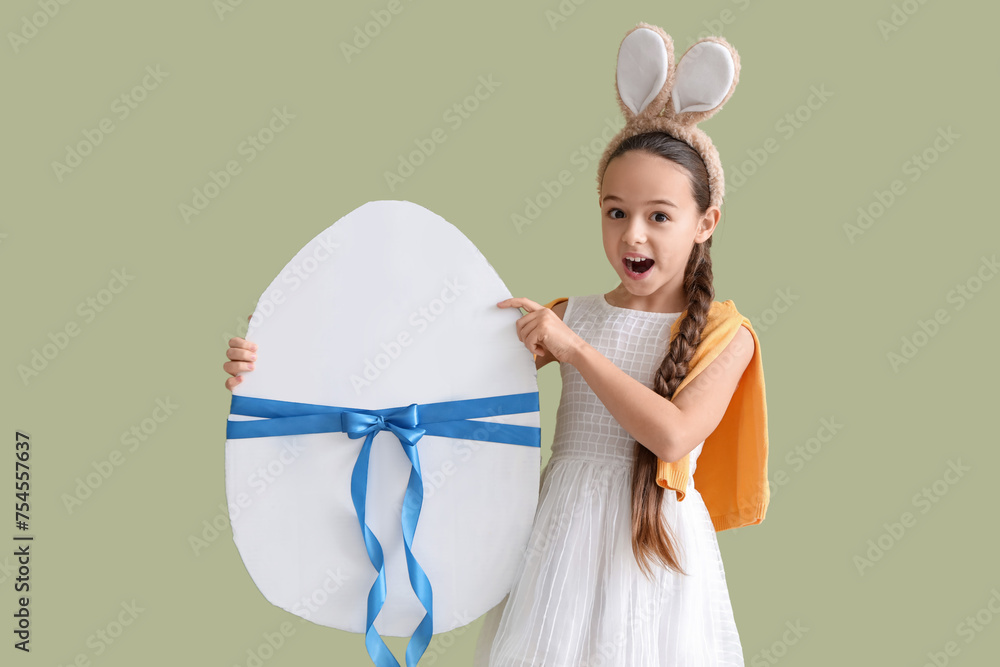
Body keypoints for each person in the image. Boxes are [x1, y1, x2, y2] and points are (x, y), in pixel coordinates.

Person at [224, 23, 769, 666]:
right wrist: (276, 366)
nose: (633, 236)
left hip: (656, 552)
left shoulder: (724, 336)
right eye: (615, 211)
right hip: (561, 539)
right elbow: (432, 373)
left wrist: (577, 351)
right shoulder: (570, 318)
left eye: (659, 215)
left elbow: (674, 437)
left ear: (706, 223)